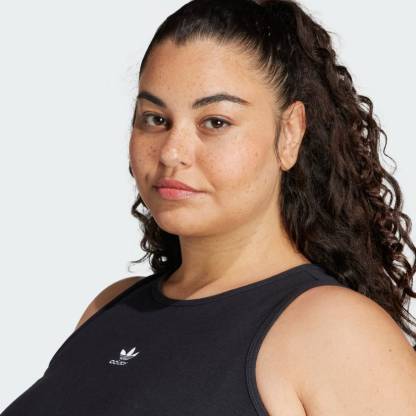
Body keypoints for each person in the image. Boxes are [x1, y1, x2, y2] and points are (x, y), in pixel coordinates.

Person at [2, 0, 416, 414]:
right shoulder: (111, 307)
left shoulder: (337, 333)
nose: (172, 152)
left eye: (215, 122)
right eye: (155, 119)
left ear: (289, 134)